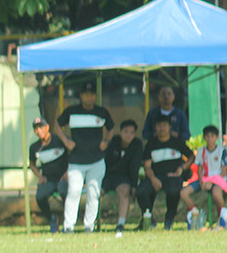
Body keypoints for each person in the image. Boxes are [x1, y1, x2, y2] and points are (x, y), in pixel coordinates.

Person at [55, 81, 115, 233]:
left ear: (95, 96)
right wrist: (66, 141)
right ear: (81, 96)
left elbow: (112, 127)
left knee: (93, 192)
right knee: (74, 191)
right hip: (76, 161)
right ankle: (68, 226)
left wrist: (106, 141)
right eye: (86, 95)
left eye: (92, 95)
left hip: (96, 160)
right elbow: (56, 125)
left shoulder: (102, 112)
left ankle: (89, 225)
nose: (89, 98)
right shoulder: (71, 111)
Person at [137, 114, 195, 230]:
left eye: (165, 125)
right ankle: (149, 220)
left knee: (174, 191)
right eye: (159, 126)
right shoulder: (151, 143)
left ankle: (169, 219)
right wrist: (153, 179)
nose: (162, 128)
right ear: (155, 127)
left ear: (169, 127)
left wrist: (182, 168)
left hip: (173, 176)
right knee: (141, 191)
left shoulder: (177, 142)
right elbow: (147, 166)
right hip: (155, 176)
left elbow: (191, 156)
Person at [179, 125, 227, 228]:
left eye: (212, 136)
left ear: (217, 137)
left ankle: (222, 217)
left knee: (217, 193)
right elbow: (199, 168)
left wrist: (212, 182)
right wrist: (201, 182)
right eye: (207, 136)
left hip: (218, 180)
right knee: (183, 193)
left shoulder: (222, 150)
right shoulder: (201, 150)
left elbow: (224, 171)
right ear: (204, 138)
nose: (210, 139)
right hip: (203, 179)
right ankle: (195, 214)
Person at [102, 118, 143, 233]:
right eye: (125, 132)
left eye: (131, 133)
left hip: (124, 177)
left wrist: (134, 185)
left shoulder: (137, 145)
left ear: (135, 134)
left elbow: (135, 167)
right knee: (96, 192)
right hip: (108, 175)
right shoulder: (113, 142)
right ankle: (91, 223)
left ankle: (120, 224)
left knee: (124, 192)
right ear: (120, 132)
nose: (128, 135)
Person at [28, 116, 68, 233]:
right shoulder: (35, 147)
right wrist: (40, 177)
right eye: (36, 129)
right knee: (40, 196)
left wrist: (66, 174)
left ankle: (68, 221)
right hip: (48, 179)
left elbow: (71, 157)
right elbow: (32, 164)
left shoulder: (58, 140)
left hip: (63, 178)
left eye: (40, 128)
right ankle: (52, 219)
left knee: (64, 192)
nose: (38, 131)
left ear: (47, 127)